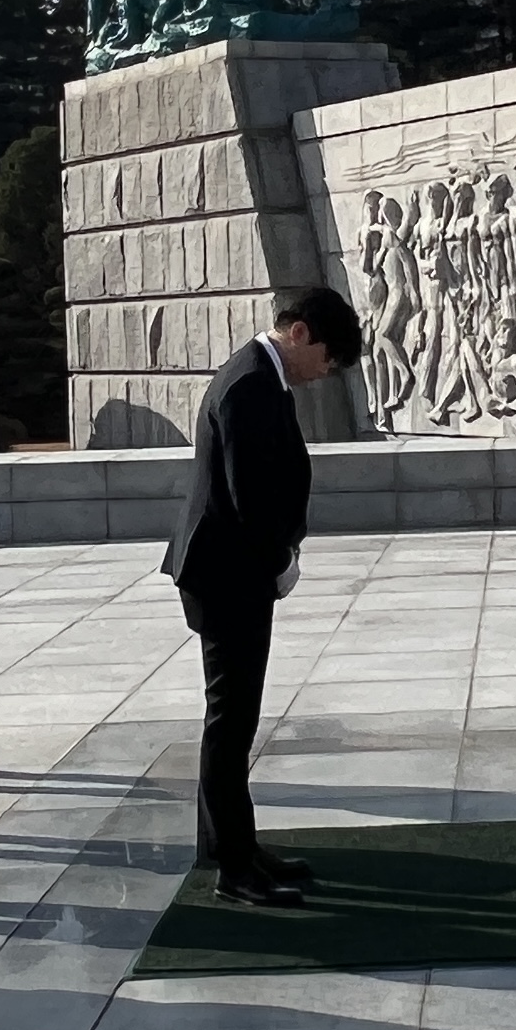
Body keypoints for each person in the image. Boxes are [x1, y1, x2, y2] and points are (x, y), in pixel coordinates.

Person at [161, 287, 362, 903]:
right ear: (300, 333)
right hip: (230, 573)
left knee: (235, 717)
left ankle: (233, 845)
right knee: (231, 717)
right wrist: (278, 558)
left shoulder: (261, 376)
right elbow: (249, 493)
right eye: (328, 359)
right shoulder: (250, 381)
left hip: (233, 569)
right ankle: (233, 867)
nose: (324, 374)